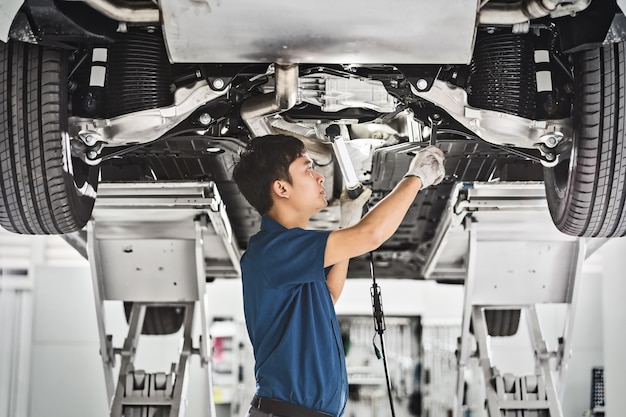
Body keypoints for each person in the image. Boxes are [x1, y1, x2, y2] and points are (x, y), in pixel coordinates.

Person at [232, 134, 445, 417]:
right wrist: (416, 176)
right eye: (307, 168)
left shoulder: (285, 251)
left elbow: (327, 296)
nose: (319, 177)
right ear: (282, 188)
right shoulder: (274, 251)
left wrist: (348, 222)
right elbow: (371, 235)